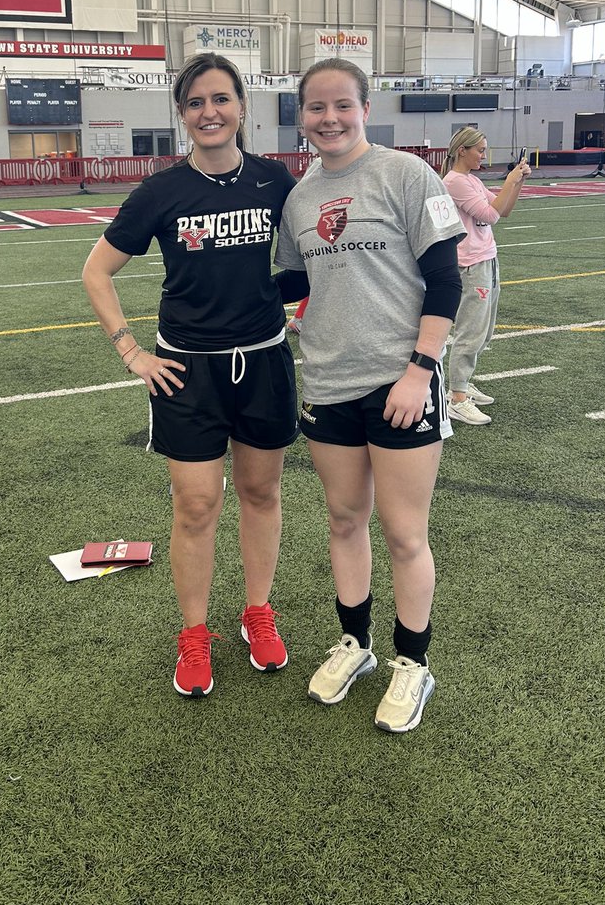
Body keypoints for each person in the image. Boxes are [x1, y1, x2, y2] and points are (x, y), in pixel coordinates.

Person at [82, 53, 302, 699]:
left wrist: (297, 306)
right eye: (197, 102)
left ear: (241, 107)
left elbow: (308, 258)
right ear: (182, 114)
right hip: (186, 371)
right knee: (198, 503)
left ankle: (257, 613)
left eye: (221, 99)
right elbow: (96, 272)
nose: (210, 112)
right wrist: (130, 351)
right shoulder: (161, 192)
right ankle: (194, 631)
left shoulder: (275, 181)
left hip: (263, 361)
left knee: (261, 494)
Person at [275, 57, 465, 733]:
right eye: (317, 108)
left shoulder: (407, 175)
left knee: (405, 532)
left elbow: (446, 281)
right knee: (343, 521)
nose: (330, 119)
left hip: (400, 382)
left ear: (364, 108)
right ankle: (355, 645)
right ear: (302, 117)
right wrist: (209, 292)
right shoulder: (299, 199)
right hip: (327, 383)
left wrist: (420, 369)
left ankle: (412, 664)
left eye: (342, 106)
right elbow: (293, 289)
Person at [441, 128, 531, 425]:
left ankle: (463, 385)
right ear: (462, 150)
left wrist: (516, 183)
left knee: (484, 329)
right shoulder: (454, 182)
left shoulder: (473, 180)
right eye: (479, 149)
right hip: (469, 264)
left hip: (486, 258)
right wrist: (509, 180)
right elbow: (489, 215)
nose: (483, 155)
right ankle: (456, 397)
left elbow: (502, 211)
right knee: (471, 330)